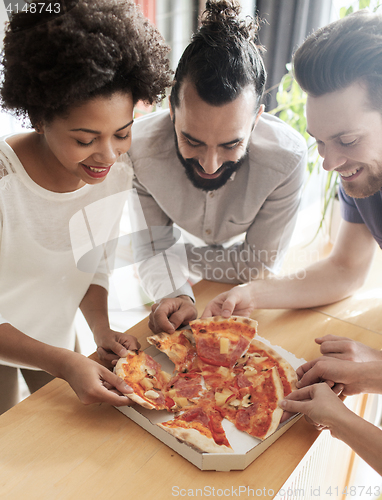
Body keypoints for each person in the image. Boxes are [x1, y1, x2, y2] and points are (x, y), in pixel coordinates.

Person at [201, 10, 382, 474]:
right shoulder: (363, 173)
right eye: (320, 141)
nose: (329, 163)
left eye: (346, 139)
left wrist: (373, 378)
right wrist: (253, 293)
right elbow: (345, 268)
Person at [0, 0, 172, 414]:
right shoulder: (5, 184)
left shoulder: (116, 172)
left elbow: (91, 265)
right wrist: (64, 362)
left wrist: (101, 329)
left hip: (57, 338)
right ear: (39, 118)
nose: (108, 156)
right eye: (85, 139)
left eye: (123, 133)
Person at [128, 0, 307, 335]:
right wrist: (174, 292)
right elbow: (152, 249)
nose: (209, 165)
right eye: (192, 140)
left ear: (256, 120)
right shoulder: (138, 150)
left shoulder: (287, 159)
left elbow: (258, 266)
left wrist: (174, 257)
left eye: (231, 144)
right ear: (171, 111)